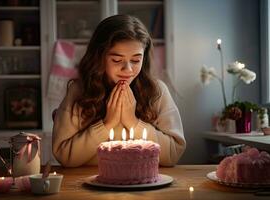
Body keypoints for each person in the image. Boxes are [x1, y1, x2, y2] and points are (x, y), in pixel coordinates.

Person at [52, 15, 186, 167]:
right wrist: (107, 124)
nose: (127, 69)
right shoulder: (79, 91)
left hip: (144, 184)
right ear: (99, 57)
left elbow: (174, 153)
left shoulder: (157, 91)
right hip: (88, 184)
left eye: (136, 60)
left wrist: (133, 122)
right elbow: (63, 155)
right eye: (116, 60)